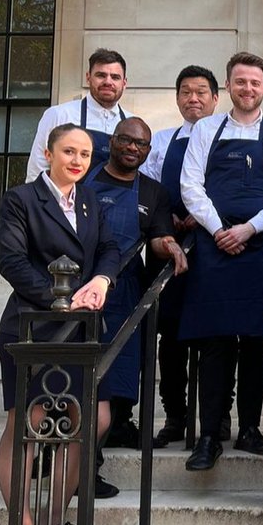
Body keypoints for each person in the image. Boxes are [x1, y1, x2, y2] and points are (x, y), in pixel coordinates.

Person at [0, 123, 121, 525]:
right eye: (68, 151)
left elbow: (109, 247)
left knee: (93, 418)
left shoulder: (90, 200)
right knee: (25, 424)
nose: (77, 161)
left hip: (81, 331)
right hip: (31, 326)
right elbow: (11, 261)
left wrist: (103, 280)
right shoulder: (21, 199)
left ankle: (52, 522)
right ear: (48, 154)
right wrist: (59, 298)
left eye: (85, 155)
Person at [179, 52, 263, 471]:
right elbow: (190, 185)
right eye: (240, 82)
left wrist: (248, 229)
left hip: (260, 247)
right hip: (214, 248)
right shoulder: (206, 129)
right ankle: (211, 433)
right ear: (229, 86)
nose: (248, 89)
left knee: (253, 343)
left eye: (255, 83)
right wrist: (218, 230)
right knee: (214, 344)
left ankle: (250, 428)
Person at [85, 117, 187, 452]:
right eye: (126, 140)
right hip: (82, 282)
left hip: (127, 287)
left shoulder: (153, 192)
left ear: (148, 150)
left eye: (141, 144)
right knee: (86, 356)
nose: (133, 148)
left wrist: (170, 246)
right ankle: (85, 435)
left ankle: (120, 422)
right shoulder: (85, 179)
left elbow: (158, 236)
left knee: (127, 357)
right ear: (112, 141)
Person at [140, 65, 221, 448]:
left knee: (215, 337)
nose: (194, 98)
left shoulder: (227, 138)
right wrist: (166, 218)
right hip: (168, 248)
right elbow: (149, 189)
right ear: (177, 98)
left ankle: (216, 419)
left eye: (201, 92)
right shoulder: (161, 140)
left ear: (215, 99)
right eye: (186, 92)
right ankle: (175, 416)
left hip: (213, 247)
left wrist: (206, 216)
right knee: (170, 340)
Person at [26, 49, 132, 182]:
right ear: (88, 78)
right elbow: (37, 169)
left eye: (115, 77)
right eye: (101, 75)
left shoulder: (132, 124)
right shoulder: (59, 115)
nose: (108, 82)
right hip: (67, 202)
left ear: (124, 83)